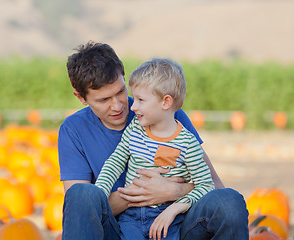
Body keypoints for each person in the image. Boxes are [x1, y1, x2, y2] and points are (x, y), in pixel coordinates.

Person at [58, 41, 249, 240]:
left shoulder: (163, 112)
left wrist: (175, 191)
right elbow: (84, 212)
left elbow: (214, 186)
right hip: (118, 229)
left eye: (121, 92)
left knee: (229, 201)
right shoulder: (73, 130)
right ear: (81, 98)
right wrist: (140, 192)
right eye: (104, 100)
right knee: (81, 194)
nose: (118, 106)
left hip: (174, 225)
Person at [94, 57, 215, 240]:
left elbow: (206, 186)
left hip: (168, 217)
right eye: (134, 98)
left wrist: (174, 209)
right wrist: (100, 191)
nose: (133, 106)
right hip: (131, 216)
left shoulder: (188, 143)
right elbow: (116, 161)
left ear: (166, 102)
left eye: (141, 100)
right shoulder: (135, 129)